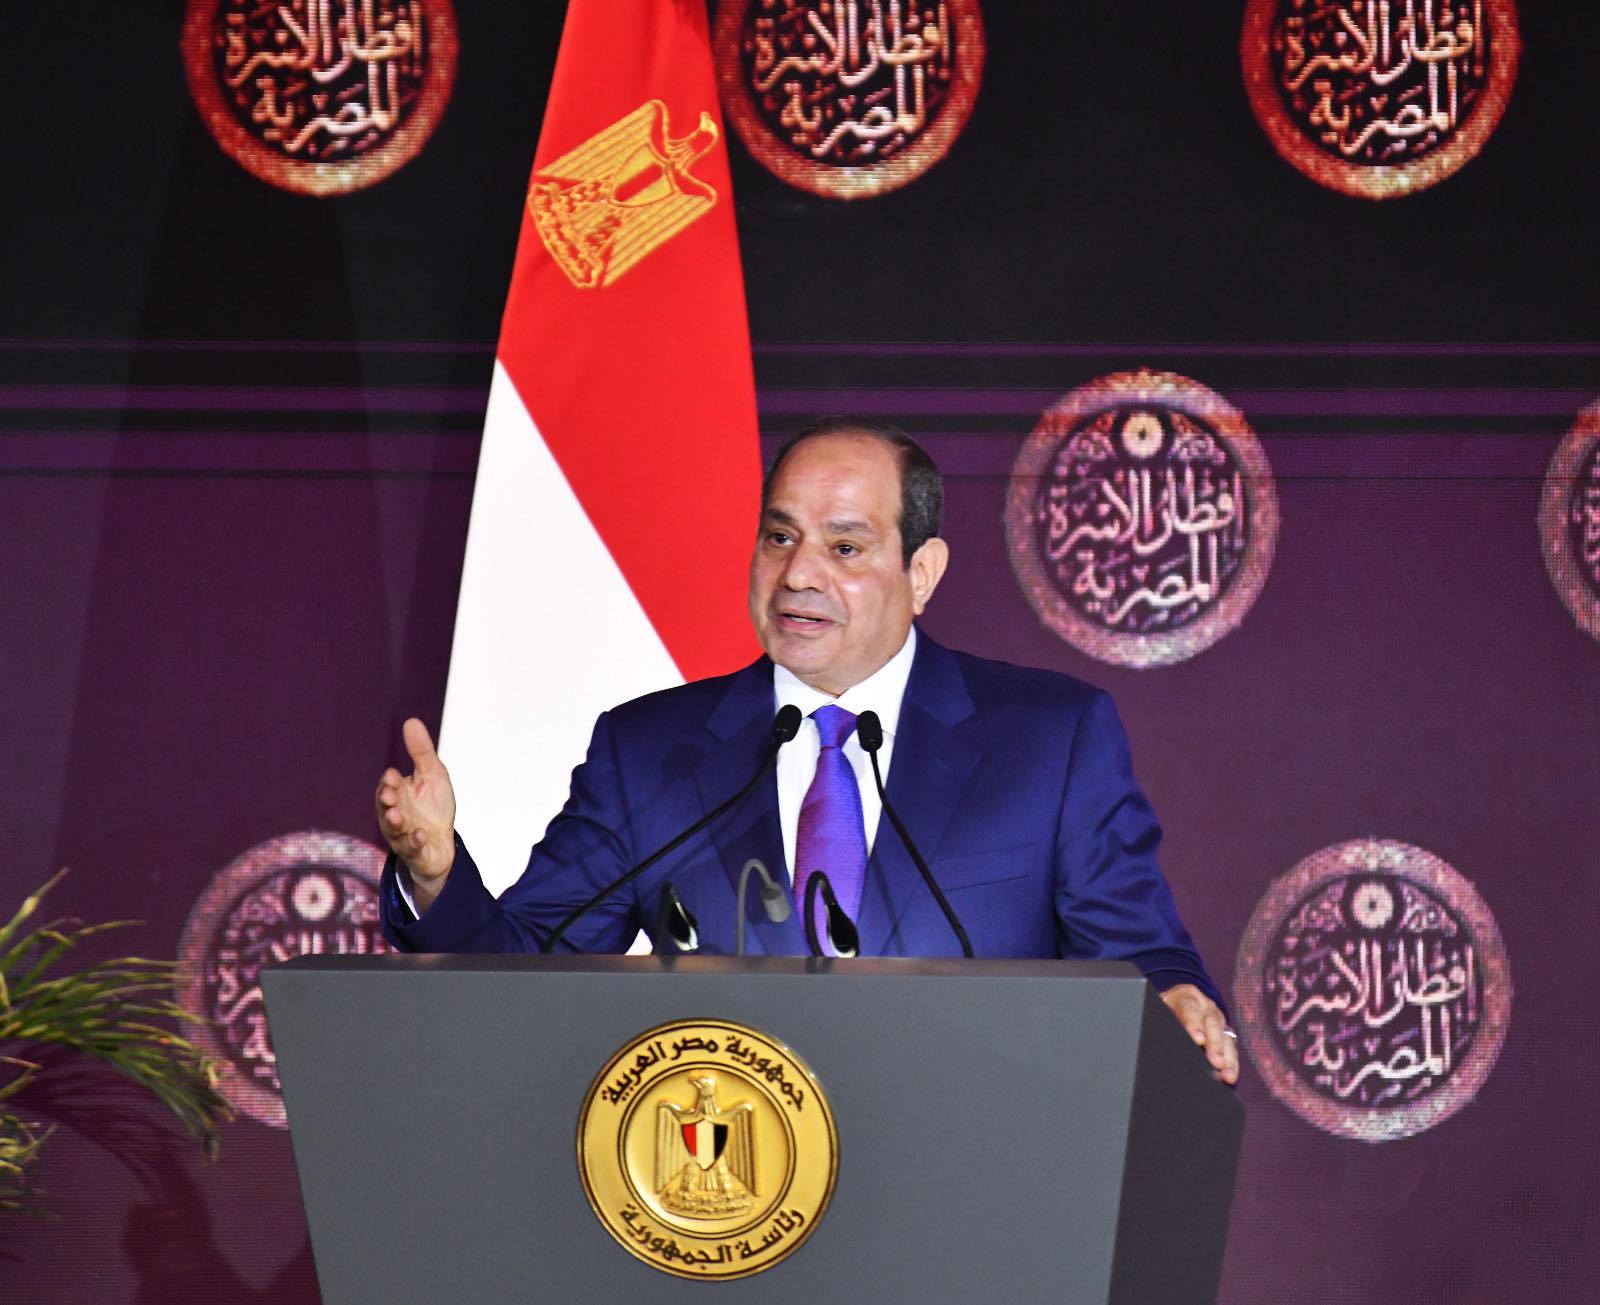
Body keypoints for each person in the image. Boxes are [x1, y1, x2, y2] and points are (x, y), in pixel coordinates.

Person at [375, 418, 1239, 1083]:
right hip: (730, 1201)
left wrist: (1175, 1003)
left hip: (979, 1186)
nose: (797, 574)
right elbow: (521, 972)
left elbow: (1141, 959)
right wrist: (436, 875)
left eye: (845, 547)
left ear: (923, 572)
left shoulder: (1050, 739)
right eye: (779, 536)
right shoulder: (653, 752)